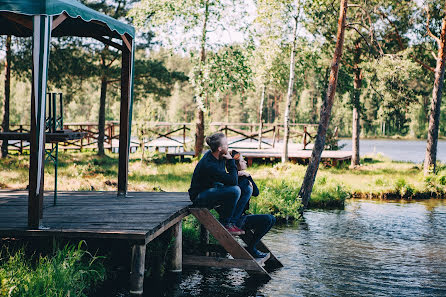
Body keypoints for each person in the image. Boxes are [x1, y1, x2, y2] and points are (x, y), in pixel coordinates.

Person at [188, 132, 245, 235]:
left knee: (246, 187)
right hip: (199, 197)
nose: (228, 146)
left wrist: (235, 162)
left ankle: (233, 222)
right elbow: (233, 181)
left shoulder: (219, 156)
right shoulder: (210, 164)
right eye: (226, 144)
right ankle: (225, 223)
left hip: (213, 190)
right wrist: (231, 161)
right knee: (235, 190)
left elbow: (230, 176)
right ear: (219, 148)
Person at [229, 150, 276, 259]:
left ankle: (252, 247)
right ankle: (251, 248)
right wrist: (243, 175)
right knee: (268, 219)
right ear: (236, 165)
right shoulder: (236, 180)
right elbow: (255, 192)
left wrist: (248, 175)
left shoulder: (243, 178)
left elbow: (256, 192)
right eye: (242, 160)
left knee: (272, 219)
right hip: (235, 221)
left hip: (241, 218)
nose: (245, 161)